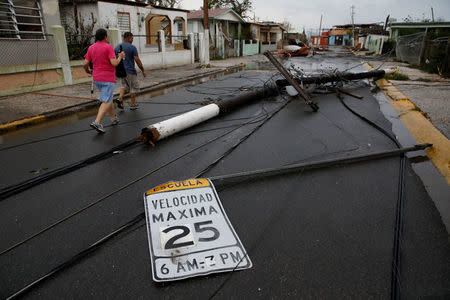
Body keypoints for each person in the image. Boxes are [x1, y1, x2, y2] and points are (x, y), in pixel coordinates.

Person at [83, 28, 125, 133]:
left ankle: (113, 118)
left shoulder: (91, 48)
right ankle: (97, 122)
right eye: (107, 36)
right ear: (105, 36)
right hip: (108, 78)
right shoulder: (108, 47)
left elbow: (84, 63)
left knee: (108, 98)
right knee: (106, 100)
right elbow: (114, 63)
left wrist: (87, 70)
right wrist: (120, 57)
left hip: (97, 78)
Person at [113, 32, 146, 110]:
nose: (132, 40)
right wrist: (143, 70)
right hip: (130, 71)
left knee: (124, 86)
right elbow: (137, 60)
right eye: (132, 38)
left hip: (121, 71)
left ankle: (120, 99)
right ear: (128, 38)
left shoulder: (116, 47)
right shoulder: (132, 47)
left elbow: (114, 59)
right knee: (133, 87)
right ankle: (133, 104)